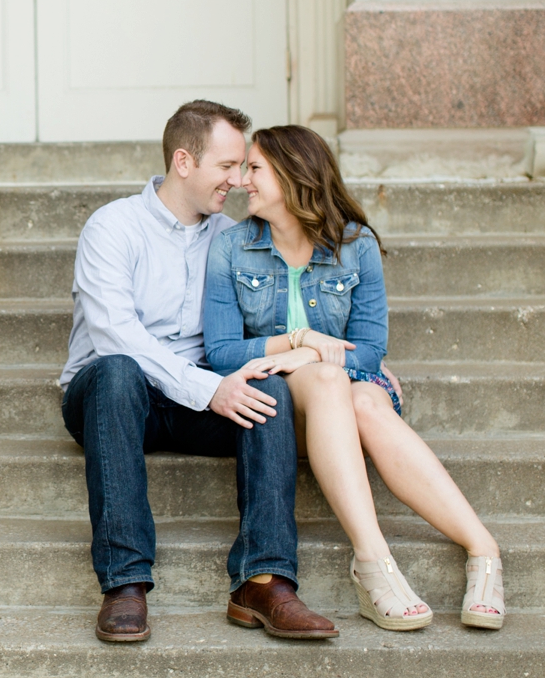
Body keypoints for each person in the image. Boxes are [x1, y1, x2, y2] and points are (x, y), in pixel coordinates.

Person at [204, 125, 506, 631]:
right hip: (287, 408)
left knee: (363, 399)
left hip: (351, 394)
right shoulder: (231, 248)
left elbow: (370, 349)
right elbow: (221, 353)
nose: (242, 181)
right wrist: (301, 345)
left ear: (293, 173)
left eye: (254, 168)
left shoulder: (355, 244)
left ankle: (484, 549)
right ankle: (372, 559)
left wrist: (317, 357)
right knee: (327, 381)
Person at [61, 101, 340, 643]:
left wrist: (353, 360)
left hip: (197, 398)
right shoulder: (113, 227)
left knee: (271, 391)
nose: (238, 181)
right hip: (109, 399)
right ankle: (125, 582)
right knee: (118, 370)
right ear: (184, 162)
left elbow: (284, 320)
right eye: (228, 167)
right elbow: (116, 334)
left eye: (243, 169)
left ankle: (264, 582)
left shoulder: (232, 239)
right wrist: (209, 387)